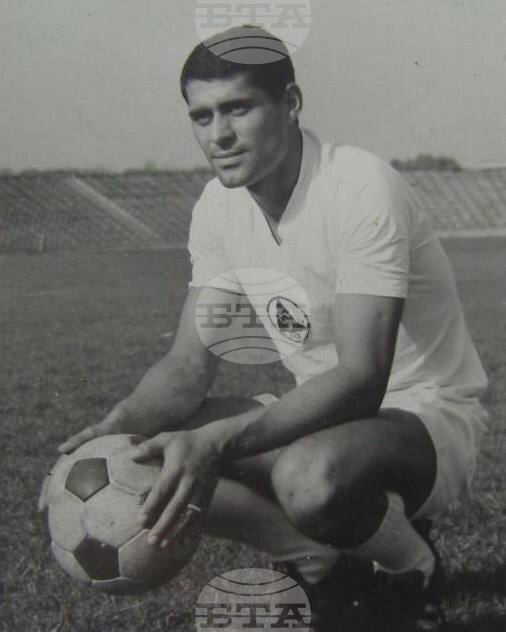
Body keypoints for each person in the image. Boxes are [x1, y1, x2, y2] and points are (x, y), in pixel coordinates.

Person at [55, 26, 488, 631]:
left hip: (424, 416)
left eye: (238, 108)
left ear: (290, 104)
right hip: (324, 423)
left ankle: (412, 566)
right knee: (153, 445)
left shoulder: (358, 186)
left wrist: (220, 442)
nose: (220, 134)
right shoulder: (218, 206)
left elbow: (362, 379)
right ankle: (319, 561)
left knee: (306, 477)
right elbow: (187, 365)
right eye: (202, 115)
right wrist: (118, 429)